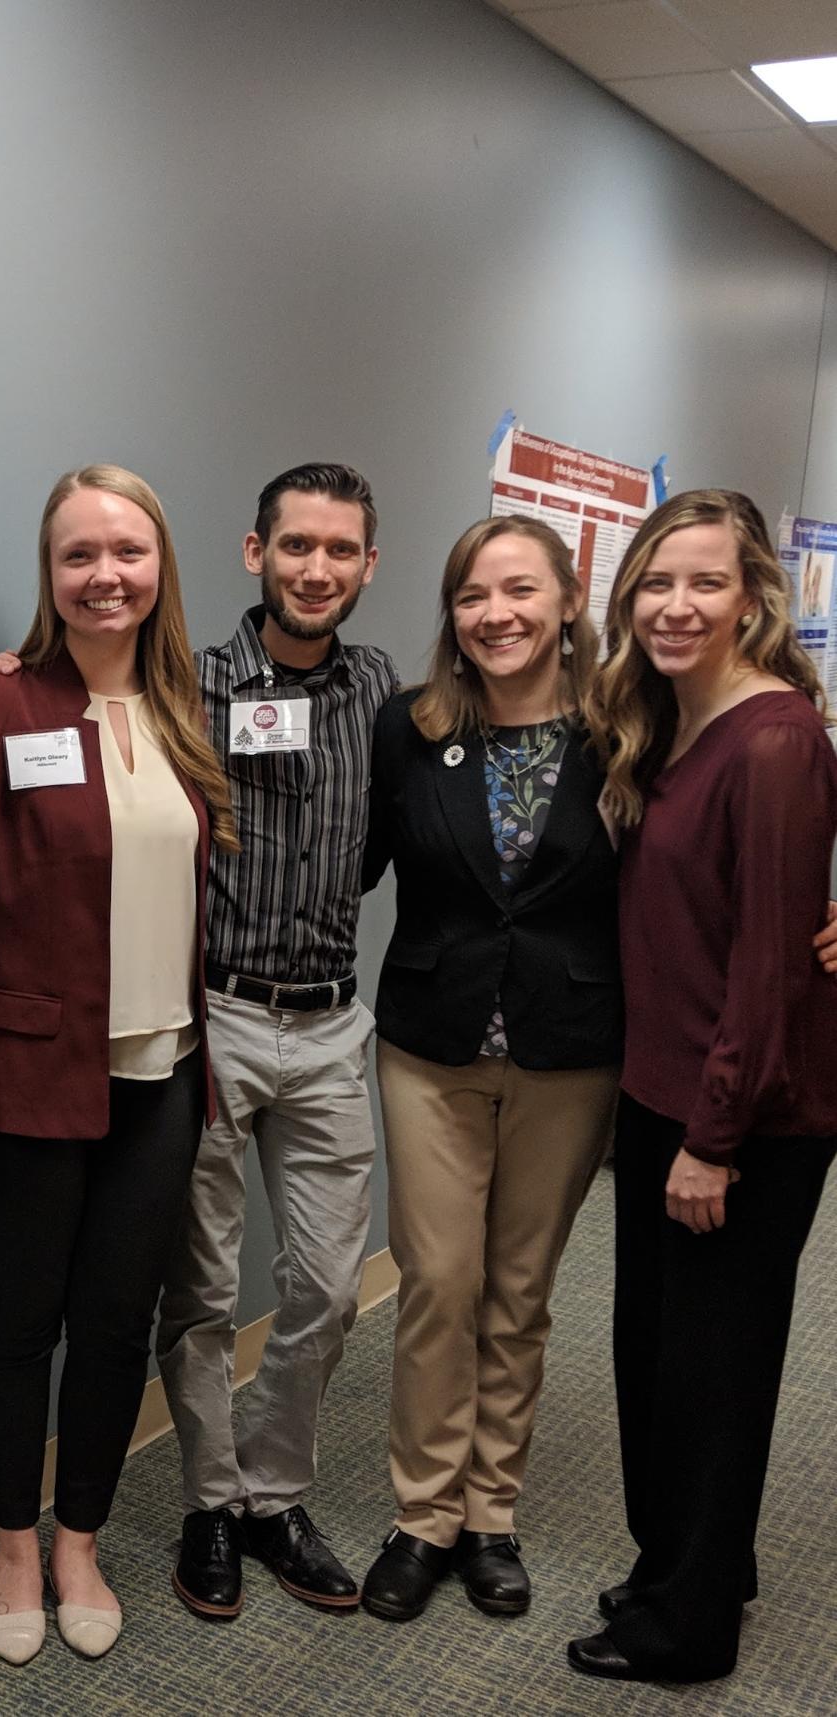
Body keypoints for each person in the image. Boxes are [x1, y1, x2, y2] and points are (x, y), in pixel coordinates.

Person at [0, 464, 400, 1620]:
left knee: (309, 1288)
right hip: (179, 1028)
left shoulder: (369, 694)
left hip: (273, 1034)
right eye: (294, 545)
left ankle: (251, 1501)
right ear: (252, 552)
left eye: (340, 550)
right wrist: (14, 668)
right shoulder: (169, 689)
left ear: (368, 565)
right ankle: (193, 1507)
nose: (316, 568)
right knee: (176, 1295)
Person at [0, 464, 233, 1664]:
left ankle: (81, 1535)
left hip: (162, 1080)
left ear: (161, 570)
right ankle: (9, 1545)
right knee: (15, 1324)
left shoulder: (183, 708)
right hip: (23, 1081)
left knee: (114, 1323)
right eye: (79, 555)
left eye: (128, 553)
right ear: (51, 574)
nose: (106, 576)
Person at [566, 489, 837, 1683]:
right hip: (666, 1088)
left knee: (710, 1373)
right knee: (658, 1354)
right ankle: (693, 1561)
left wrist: (714, 1140)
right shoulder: (669, 717)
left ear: (752, 598)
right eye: (655, 583)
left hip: (745, 1114)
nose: (676, 605)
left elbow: (772, 965)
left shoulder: (774, 736)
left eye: (705, 582)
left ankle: (688, 1629)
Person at [356, 517, 621, 1623]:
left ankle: (488, 1513)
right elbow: (344, 851)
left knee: (518, 1293)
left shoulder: (628, 733)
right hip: (431, 1045)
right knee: (437, 1284)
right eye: (473, 594)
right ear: (451, 615)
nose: (496, 613)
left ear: (568, 600)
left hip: (569, 1049)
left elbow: (704, 860)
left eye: (520, 590)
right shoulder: (411, 729)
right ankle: (422, 1514)